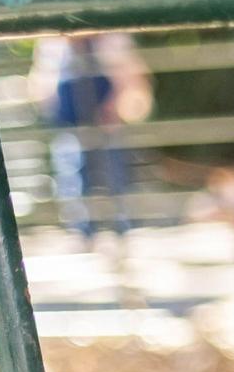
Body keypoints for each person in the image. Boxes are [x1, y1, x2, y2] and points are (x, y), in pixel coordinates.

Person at [29, 33, 151, 243]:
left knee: (115, 170)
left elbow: (132, 78)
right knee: (72, 172)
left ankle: (121, 226)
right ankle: (81, 229)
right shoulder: (52, 45)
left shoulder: (111, 40)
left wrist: (115, 109)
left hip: (108, 117)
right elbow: (41, 84)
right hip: (69, 122)